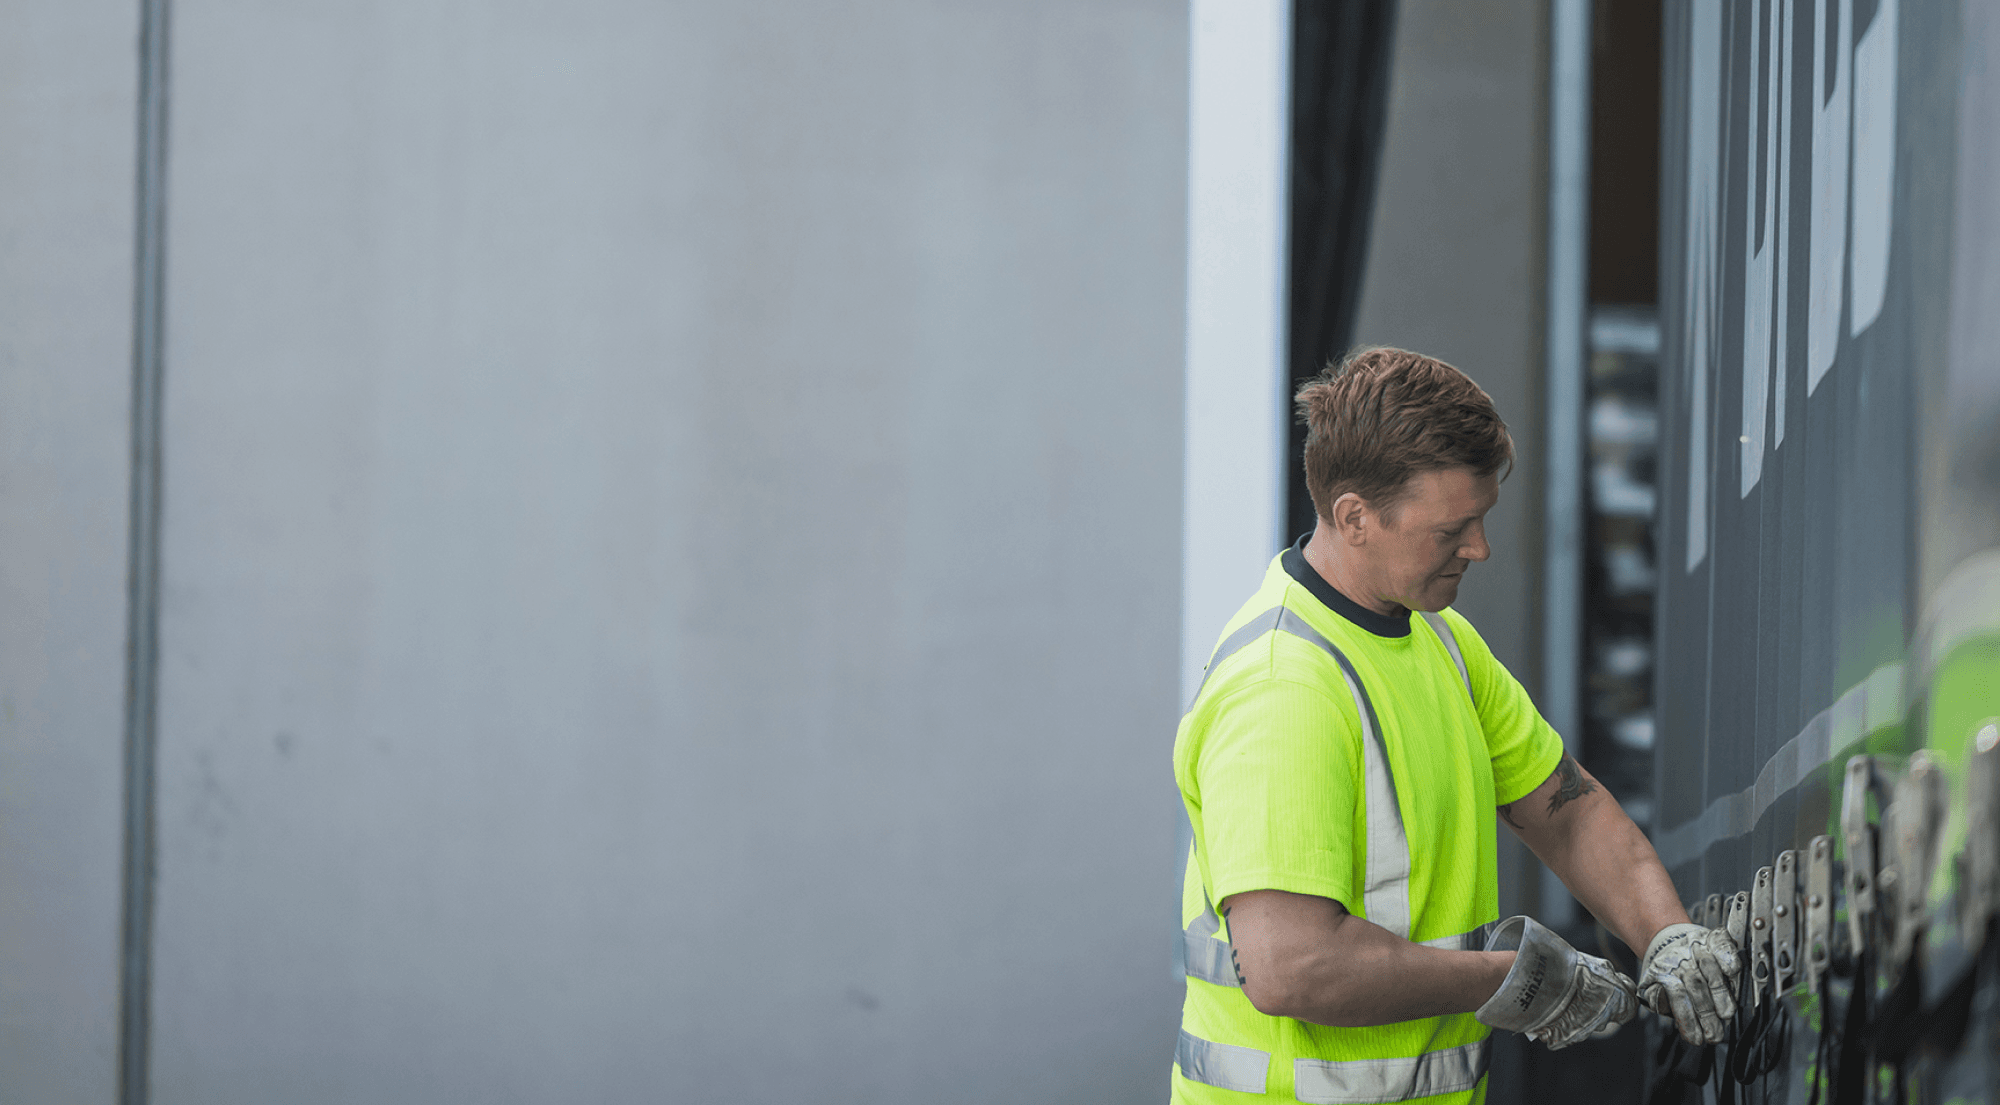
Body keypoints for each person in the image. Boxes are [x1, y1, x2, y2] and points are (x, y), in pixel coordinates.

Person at [1171, 348, 1740, 1104]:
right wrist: (1521, 981)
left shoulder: (1440, 641)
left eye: (1482, 518)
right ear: (1354, 517)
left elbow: (1565, 814)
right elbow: (1292, 965)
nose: (1480, 547)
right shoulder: (1286, 689)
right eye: (1453, 529)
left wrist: (1665, 934)